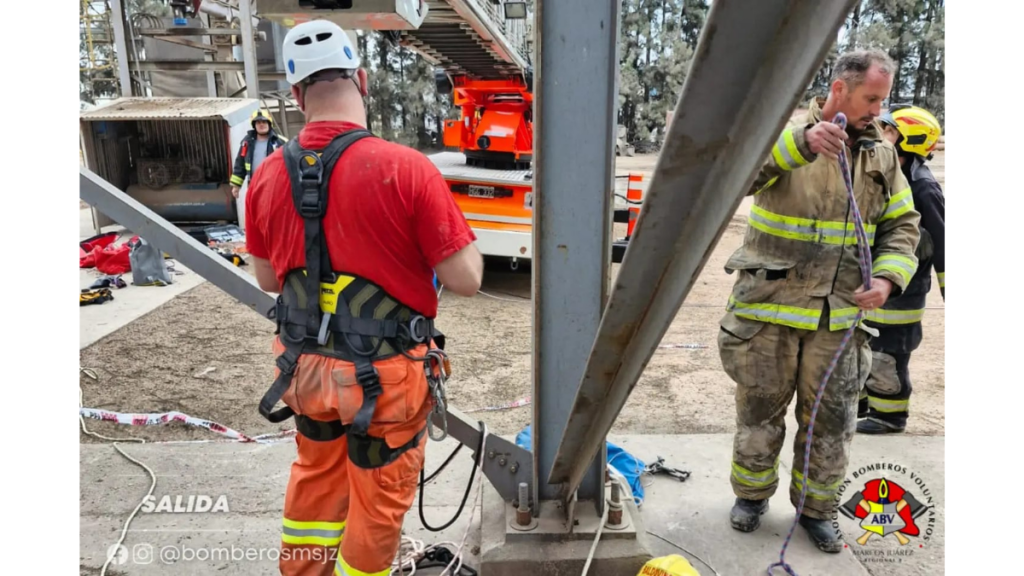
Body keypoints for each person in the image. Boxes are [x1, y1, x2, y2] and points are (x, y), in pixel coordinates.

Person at [243, 20, 483, 576]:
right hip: (384, 379)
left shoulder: (269, 174)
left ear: (297, 95)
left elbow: (267, 280)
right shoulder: (406, 169)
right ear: (363, 80)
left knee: (316, 486)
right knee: (375, 508)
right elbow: (466, 277)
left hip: (303, 371)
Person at [718, 49, 921, 553]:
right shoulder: (783, 134)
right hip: (769, 307)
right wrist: (798, 146)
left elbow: (903, 224)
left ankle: (816, 511)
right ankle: (751, 497)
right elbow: (735, 179)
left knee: (832, 420)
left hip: (841, 315)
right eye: (871, 98)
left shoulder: (881, 153)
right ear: (839, 91)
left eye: (882, 99)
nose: (878, 110)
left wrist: (889, 280)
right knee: (759, 410)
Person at [857, 104, 945, 434]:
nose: (881, 134)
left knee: (888, 354)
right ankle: (866, 405)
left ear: (910, 141)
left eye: (890, 131)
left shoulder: (923, 187)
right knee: (867, 347)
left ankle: (889, 416)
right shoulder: (890, 173)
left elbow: (942, 242)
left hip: (904, 293)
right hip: (878, 282)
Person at [230, 109, 287, 199]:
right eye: (258, 122)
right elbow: (240, 164)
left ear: (269, 123)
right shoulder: (246, 143)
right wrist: (236, 185)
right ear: (254, 125)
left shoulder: (281, 142)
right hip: (254, 186)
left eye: (264, 121)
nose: (261, 124)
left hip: (275, 187)